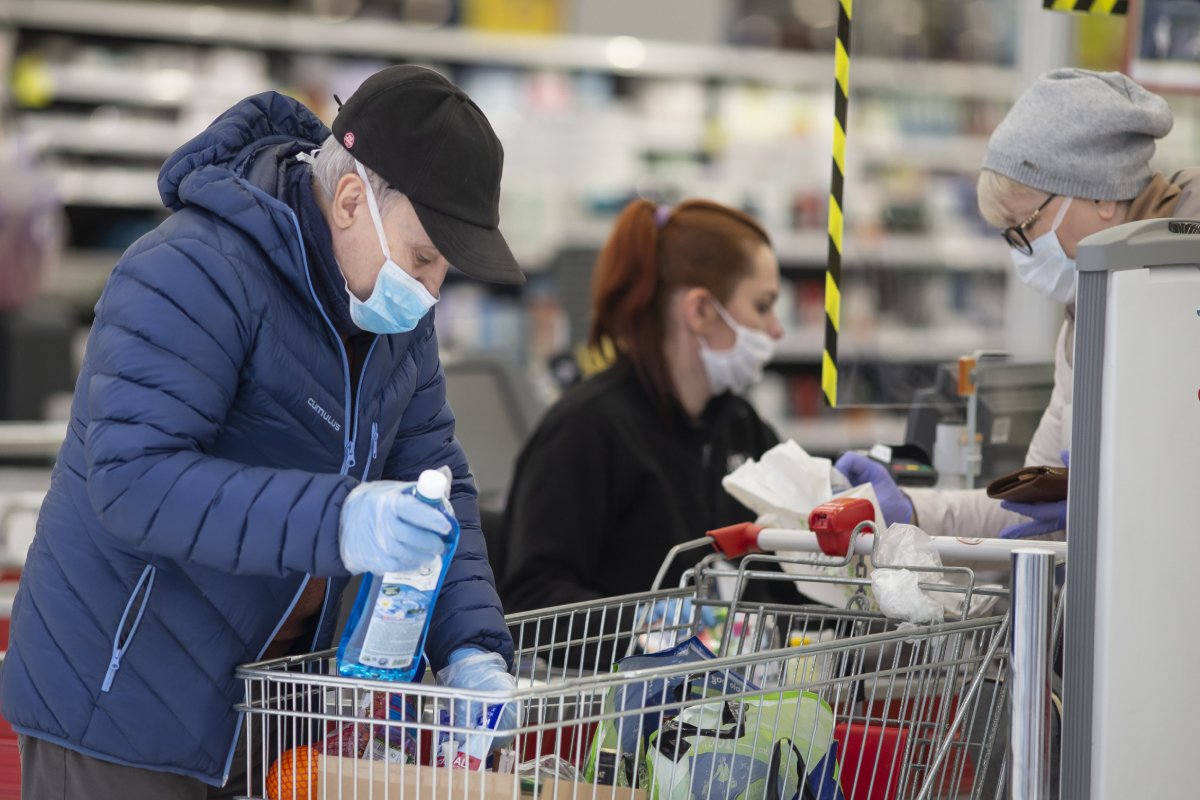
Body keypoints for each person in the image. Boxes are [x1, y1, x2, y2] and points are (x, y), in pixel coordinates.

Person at [0, 66, 521, 798]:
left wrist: (472, 649)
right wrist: (340, 521)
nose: (431, 290)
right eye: (425, 257)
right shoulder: (192, 269)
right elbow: (134, 480)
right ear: (349, 201)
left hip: (272, 715)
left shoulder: (394, 321)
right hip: (120, 710)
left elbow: (439, 480)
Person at [836, 68, 1200, 540]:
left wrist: (1117, 503)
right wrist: (910, 512)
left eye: (1024, 226)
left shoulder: (1182, 289)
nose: (1021, 252)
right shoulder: (1083, 323)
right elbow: (1030, 506)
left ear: (1099, 193)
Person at [500, 198, 795, 612]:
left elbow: (790, 581)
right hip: (613, 676)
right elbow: (532, 595)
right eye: (763, 306)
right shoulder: (587, 431)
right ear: (700, 310)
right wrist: (648, 632)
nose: (777, 329)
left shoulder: (741, 427)